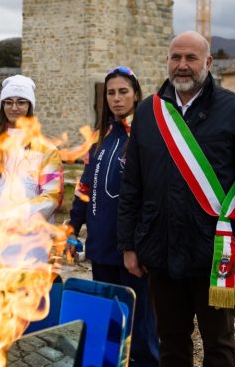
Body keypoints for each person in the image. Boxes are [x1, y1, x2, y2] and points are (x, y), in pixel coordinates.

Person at [117, 31, 235, 367]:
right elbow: (133, 184)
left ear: (208, 62)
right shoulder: (148, 112)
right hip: (160, 250)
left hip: (215, 254)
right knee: (170, 341)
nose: (182, 65)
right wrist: (129, 244)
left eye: (190, 58)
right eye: (176, 57)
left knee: (218, 343)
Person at [68, 66, 159, 367]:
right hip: (101, 248)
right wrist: (73, 227)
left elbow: (153, 196)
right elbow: (85, 188)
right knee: (108, 323)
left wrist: (139, 245)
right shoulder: (102, 138)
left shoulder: (146, 136)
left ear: (136, 94)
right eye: (111, 93)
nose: (117, 99)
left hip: (132, 253)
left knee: (141, 328)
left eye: (123, 92)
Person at [0, 74, 63, 221]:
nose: (14, 108)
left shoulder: (47, 150)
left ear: (29, 106)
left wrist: (17, 216)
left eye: (21, 102)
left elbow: (52, 197)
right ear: (2, 106)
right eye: (8, 102)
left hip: (31, 237)